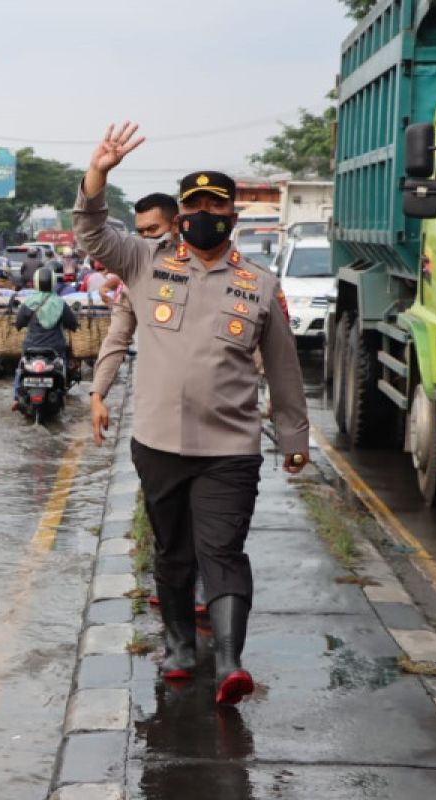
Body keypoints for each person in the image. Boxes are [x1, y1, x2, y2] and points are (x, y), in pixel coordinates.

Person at [74, 121, 308, 706]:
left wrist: (293, 436)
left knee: (222, 552)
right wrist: (98, 174)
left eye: (216, 204)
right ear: (180, 215)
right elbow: (92, 231)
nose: (205, 212)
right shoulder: (146, 262)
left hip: (230, 448)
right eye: (194, 204)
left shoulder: (259, 283)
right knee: (173, 551)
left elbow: (282, 368)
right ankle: (179, 645)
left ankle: (229, 662)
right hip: (157, 442)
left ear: (233, 215)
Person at [89, 192, 179, 446]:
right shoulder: (134, 279)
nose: (147, 238)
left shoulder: (204, 269)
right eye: (141, 232)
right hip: (158, 415)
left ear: (176, 225)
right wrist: (97, 395)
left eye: (154, 229)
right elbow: (116, 340)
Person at [12, 267, 78, 409]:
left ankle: (16, 398)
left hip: (31, 348)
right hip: (55, 350)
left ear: (36, 283)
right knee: (64, 366)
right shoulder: (60, 303)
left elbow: (18, 324)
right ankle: (63, 391)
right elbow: (73, 324)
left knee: (20, 368)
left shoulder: (29, 303)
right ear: (53, 282)